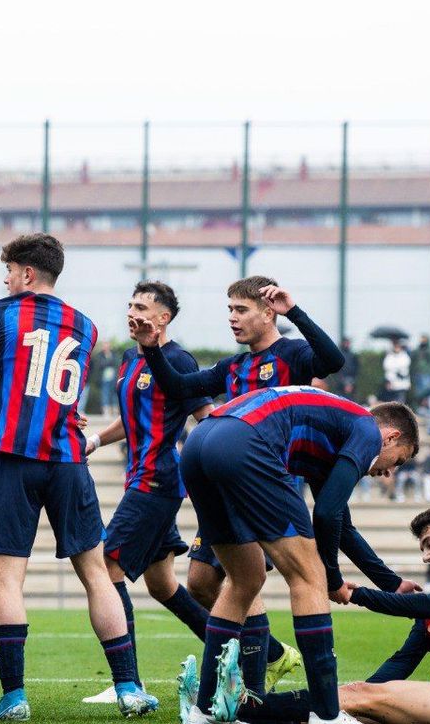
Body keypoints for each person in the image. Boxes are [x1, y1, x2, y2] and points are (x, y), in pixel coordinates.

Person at [0, 233, 155, 719]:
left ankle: (15, 697)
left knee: (9, 580)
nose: (3, 279)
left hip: (17, 457)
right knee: (95, 575)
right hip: (68, 458)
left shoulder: (4, 310)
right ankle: (129, 686)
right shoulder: (86, 326)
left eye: (8, 271)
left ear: (27, 273)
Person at [128, 274, 344, 689]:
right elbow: (176, 386)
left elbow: (332, 361)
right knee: (202, 583)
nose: (232, 318)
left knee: (251, 582)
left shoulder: (293, 354)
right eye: (229, 309)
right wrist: (154, 350)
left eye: (241, 309)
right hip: (227, 491)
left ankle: (255, 685)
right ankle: (271, 658)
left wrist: (294, 312)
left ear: (268, 312)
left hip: (268, 486)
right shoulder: (233, 367)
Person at [169, 387, 419, 724]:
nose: (389, 472)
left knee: (246, 578)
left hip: (199, 443)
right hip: (244, 442)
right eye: (399, 460)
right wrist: (330, 578)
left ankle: (204, 712)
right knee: (309, 575)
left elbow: (341, 524)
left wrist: (390, 583)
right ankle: (327, 715)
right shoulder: (365, 429)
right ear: (390, 437)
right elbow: (326, 515)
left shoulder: (334, 436)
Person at [234, 504, 430, 724]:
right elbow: (403, 660)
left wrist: (357, 594)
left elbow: (428, 606)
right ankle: (246, 713)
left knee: (352, 700)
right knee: (341, 708)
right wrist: (357, 698)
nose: (425, 556)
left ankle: (242, 708)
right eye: (423, 548)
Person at [80, 282, 224, 705]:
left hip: (157, 481)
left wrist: (219, 474)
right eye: (130, 304)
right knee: (162, 585)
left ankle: (129, 682)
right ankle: (262, 653)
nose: (132, 311)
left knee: (107, 564)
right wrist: (94, 441)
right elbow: (131, 419)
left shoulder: (178, 359)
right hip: (139, 477)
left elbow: (206, 418)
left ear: (163, 319)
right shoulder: (129, 358)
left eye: (142, 307)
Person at [96, 339, 121, 417]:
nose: (106, 346)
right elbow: (101, 365)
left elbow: (117, 363)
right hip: (104, 378)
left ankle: (114, 411)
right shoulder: (100, 355)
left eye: (107, 345)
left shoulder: (114, 354)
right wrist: (109, 362)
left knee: (114, 394)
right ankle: (106, 411)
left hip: (113, 378)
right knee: (105, 394)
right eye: (104, 345)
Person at [382, 340, 411, 404]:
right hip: (392, 382)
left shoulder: (404, 356)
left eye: (398, 347)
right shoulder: (389, 356)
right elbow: (387, 367)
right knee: (392, 401)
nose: (396, 348)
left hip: (402, 382)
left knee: (401, 401)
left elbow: (405, 366)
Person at [411, 334, 430, 399]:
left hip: (426, 373)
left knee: (427, 392)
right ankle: (420, 407)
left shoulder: (429, 349)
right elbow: (413, 357)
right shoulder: (418, 349)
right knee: (418, 392)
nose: (421, 340)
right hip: (418, 373)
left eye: (423, 339)